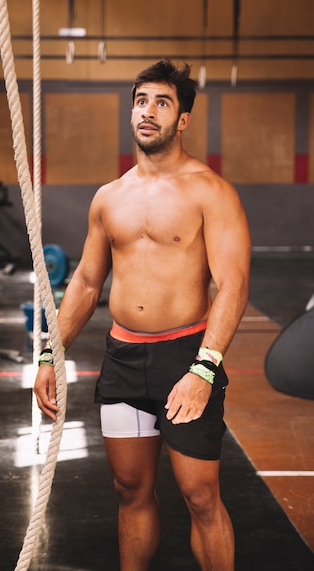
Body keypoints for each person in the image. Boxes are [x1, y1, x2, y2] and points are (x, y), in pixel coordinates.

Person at [34, 58, 251, 571]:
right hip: (125, 358)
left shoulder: (210, 191)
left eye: (162, 102)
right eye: (140, 101)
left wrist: (205, 369)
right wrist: (50, 351)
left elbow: (234, 284)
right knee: (130, 490)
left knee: (200, 496)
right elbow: (87, 282)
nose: (147, 112)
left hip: (187, 356)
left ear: (183, 120)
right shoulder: (109, 198)